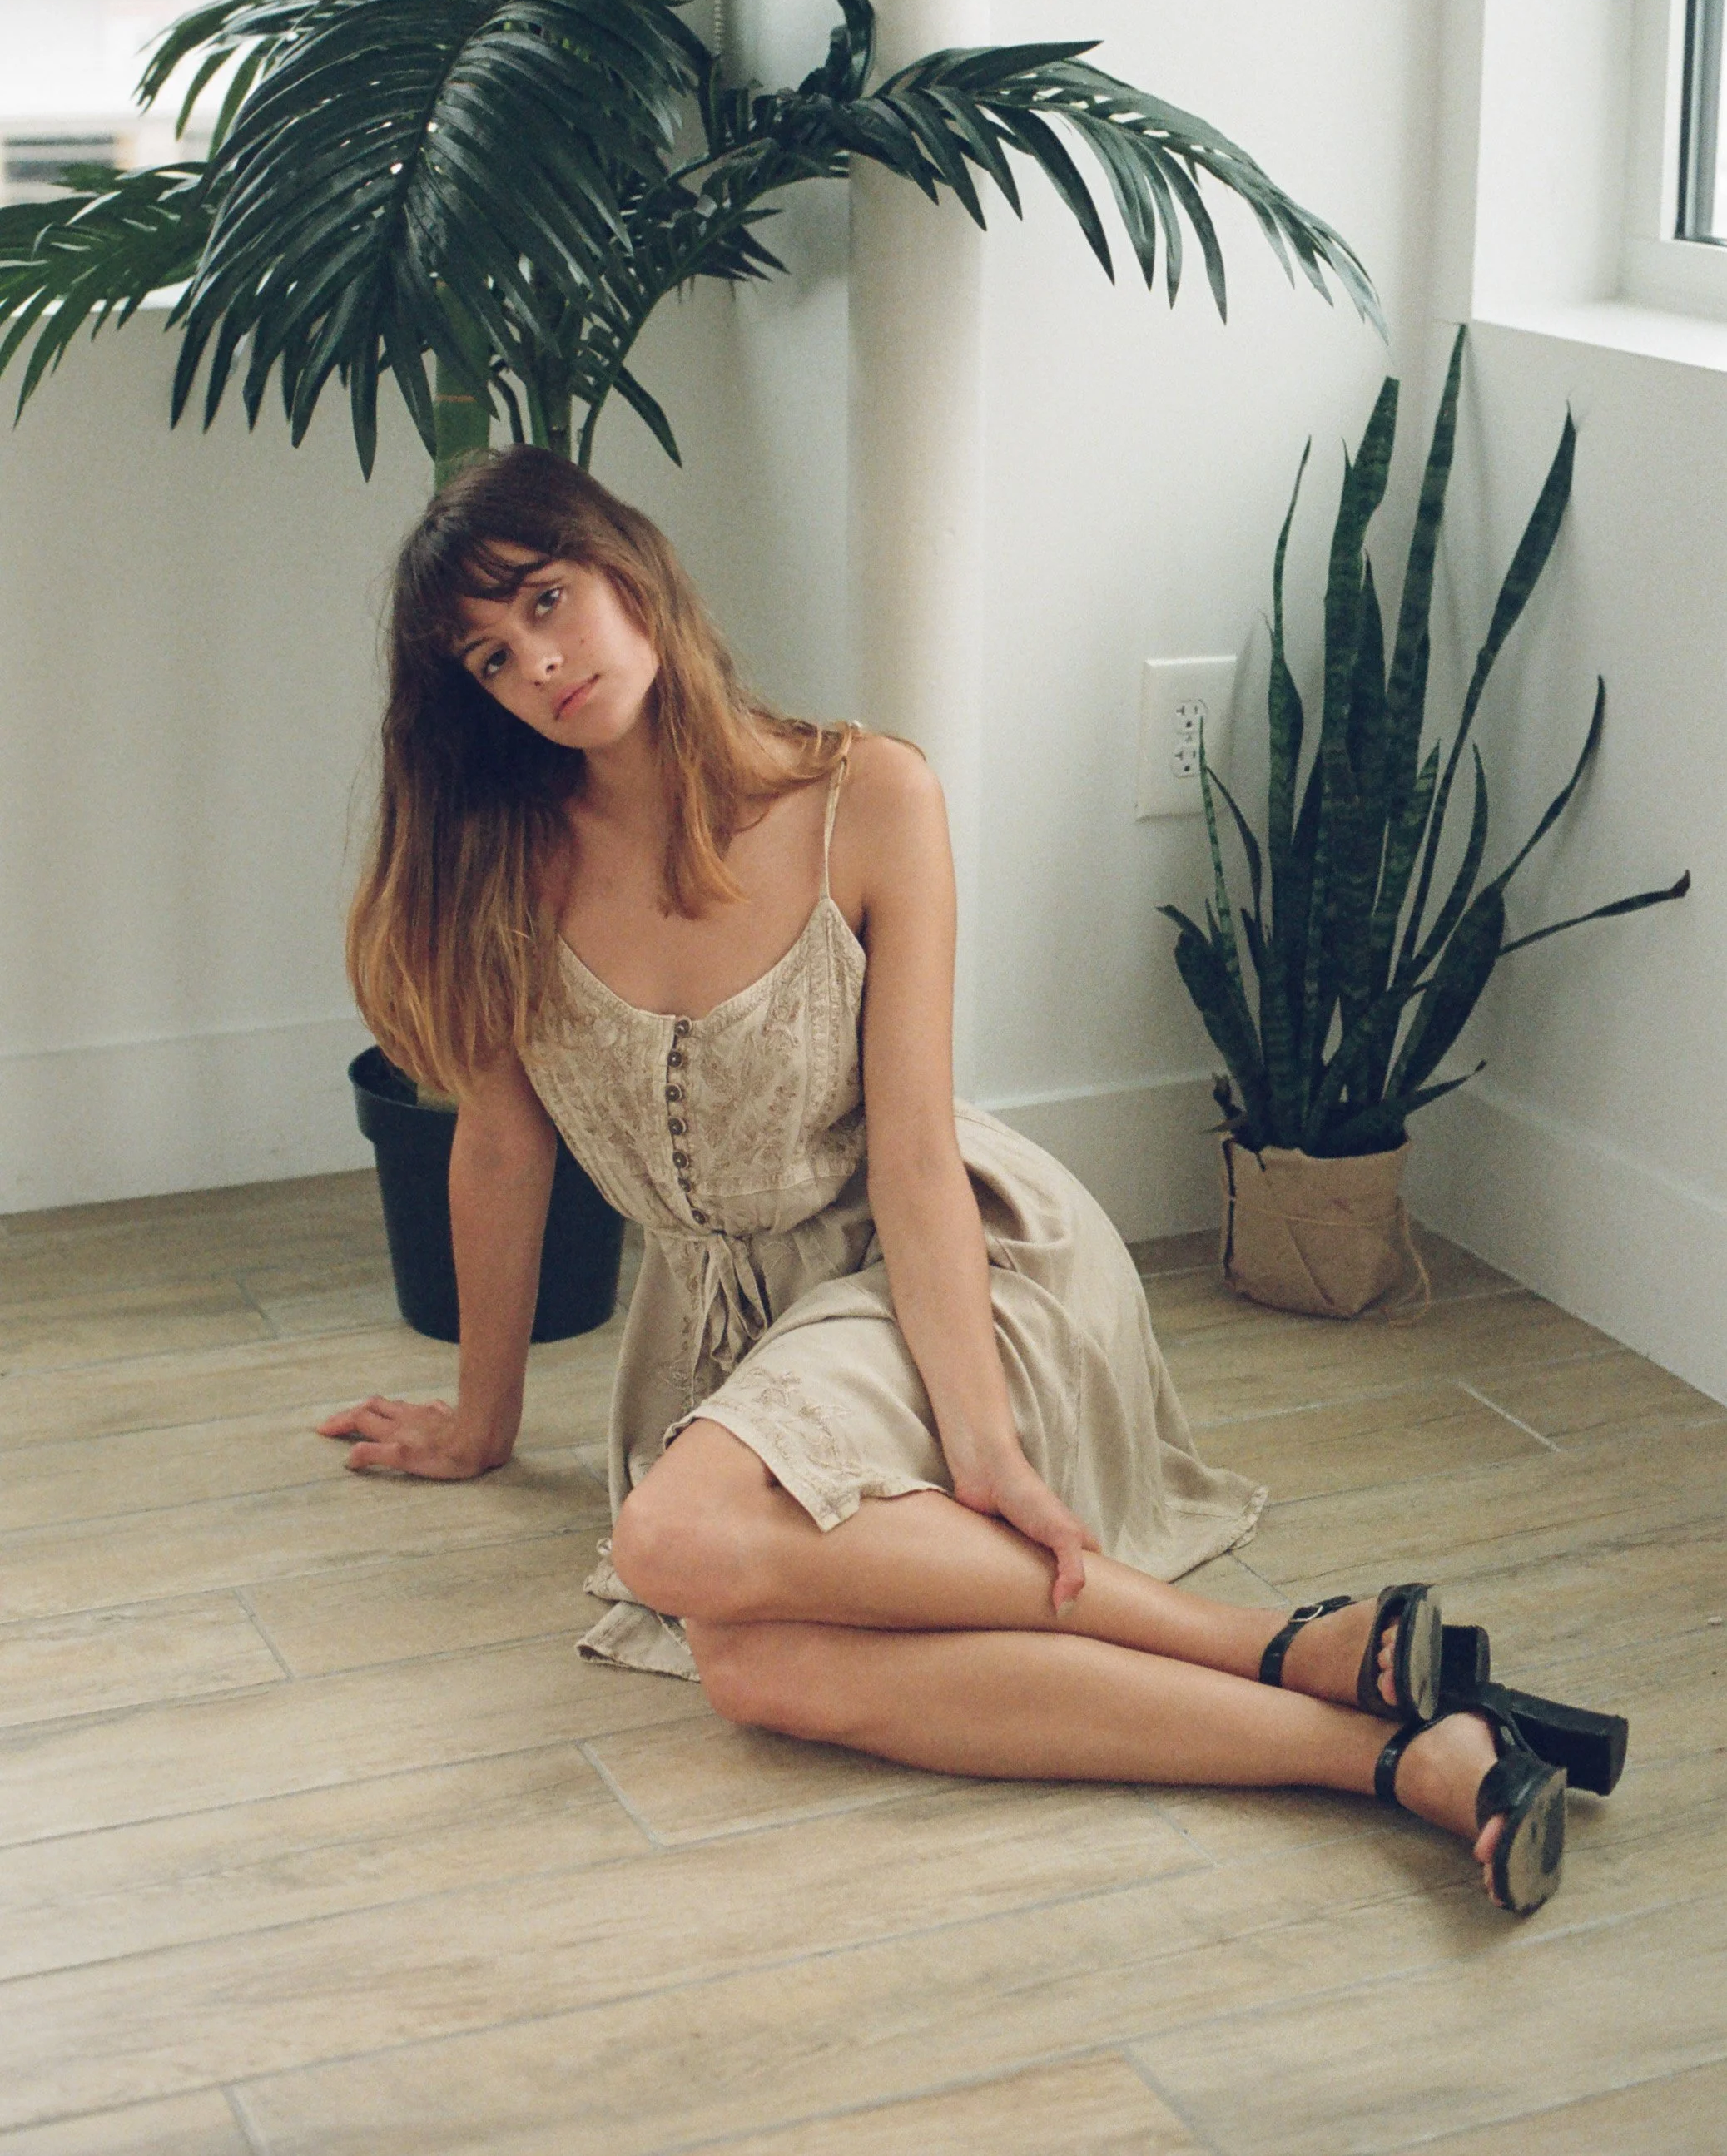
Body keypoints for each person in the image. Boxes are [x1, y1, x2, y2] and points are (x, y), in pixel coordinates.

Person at [323, 445, 1591, 1917]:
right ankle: (1390, 1755)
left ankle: (1259, 1637)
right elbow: (498, 1144)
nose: (539, 660)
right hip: (726, 1339)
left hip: (935, 1273)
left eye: (549, 599)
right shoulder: (500, 859)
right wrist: (484, 1423)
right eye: (489, 654)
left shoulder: (865, 795)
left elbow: (916, 1156)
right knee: (744, 1659)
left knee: (666, 1537)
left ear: (631, 569)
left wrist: (984, 1448)